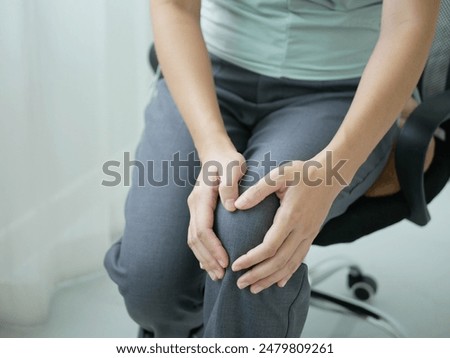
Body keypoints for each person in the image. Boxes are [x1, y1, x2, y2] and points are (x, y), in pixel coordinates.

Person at [104, 0, 440, 338]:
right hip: (211, 73)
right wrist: (210, 145)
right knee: (153, 286)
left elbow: (407, 23)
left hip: (343, 90)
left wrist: (329, 170)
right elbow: (175, 7)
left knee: (253, 232)